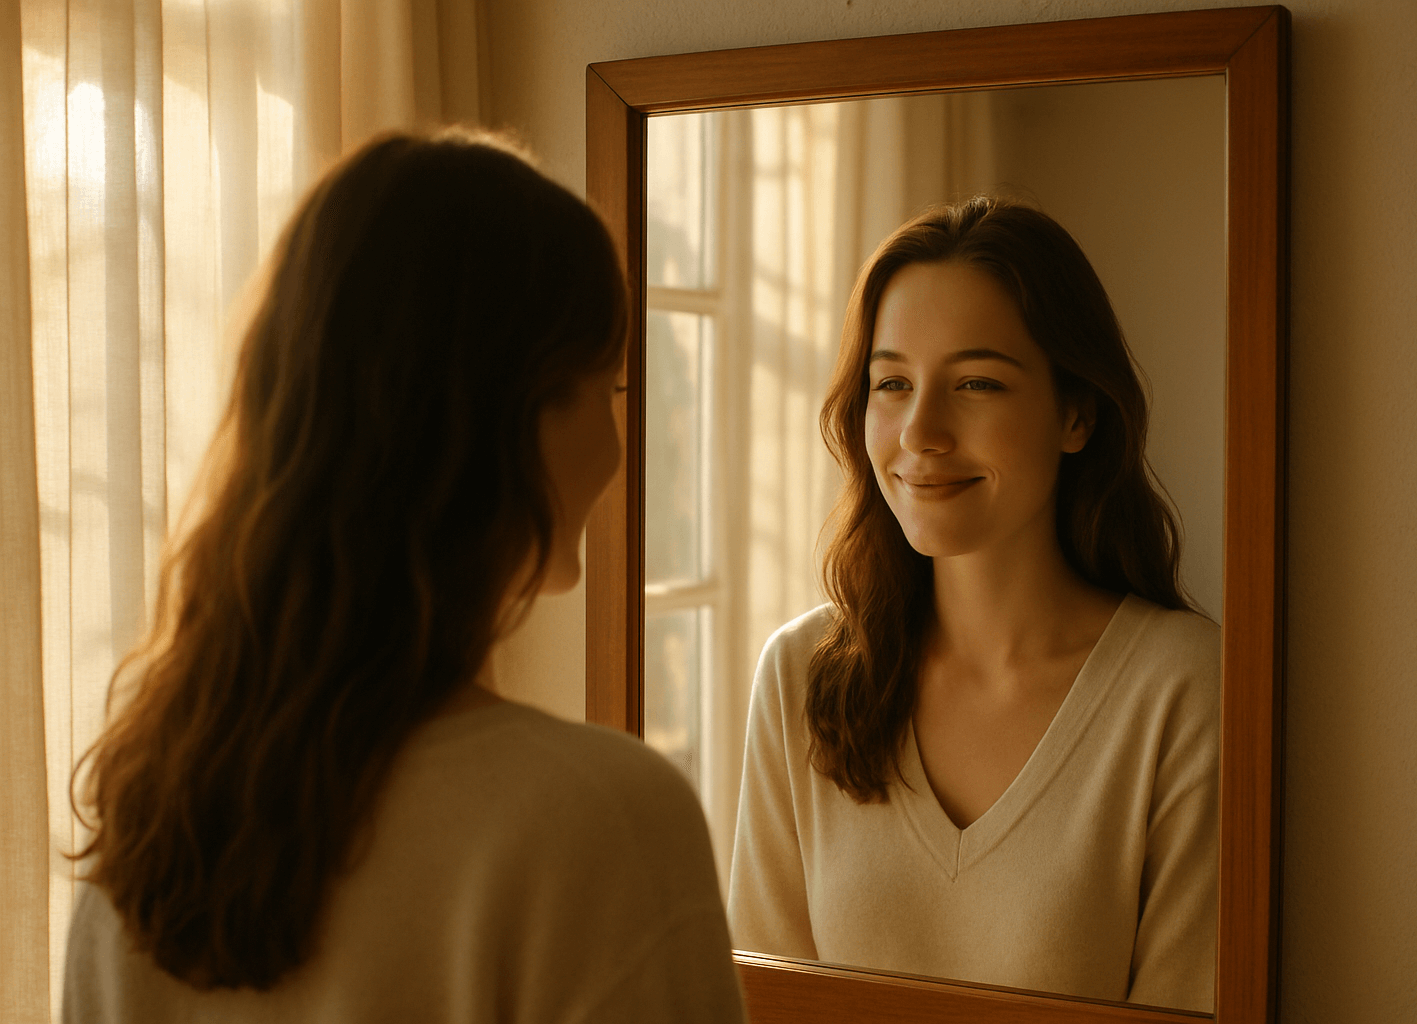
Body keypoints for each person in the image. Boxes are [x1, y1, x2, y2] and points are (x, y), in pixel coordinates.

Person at [64, 128, 745, 1024]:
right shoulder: (599, 820)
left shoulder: (154, 826)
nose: (619, 452)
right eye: (609, 388)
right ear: (515, 417)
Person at [728, 197, 1218, 1012]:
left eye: (977, 382)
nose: (921, 431)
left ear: (1076, 412)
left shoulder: (1184, 688)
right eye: (891, 383)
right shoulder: (797, 676)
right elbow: (760, 1004)